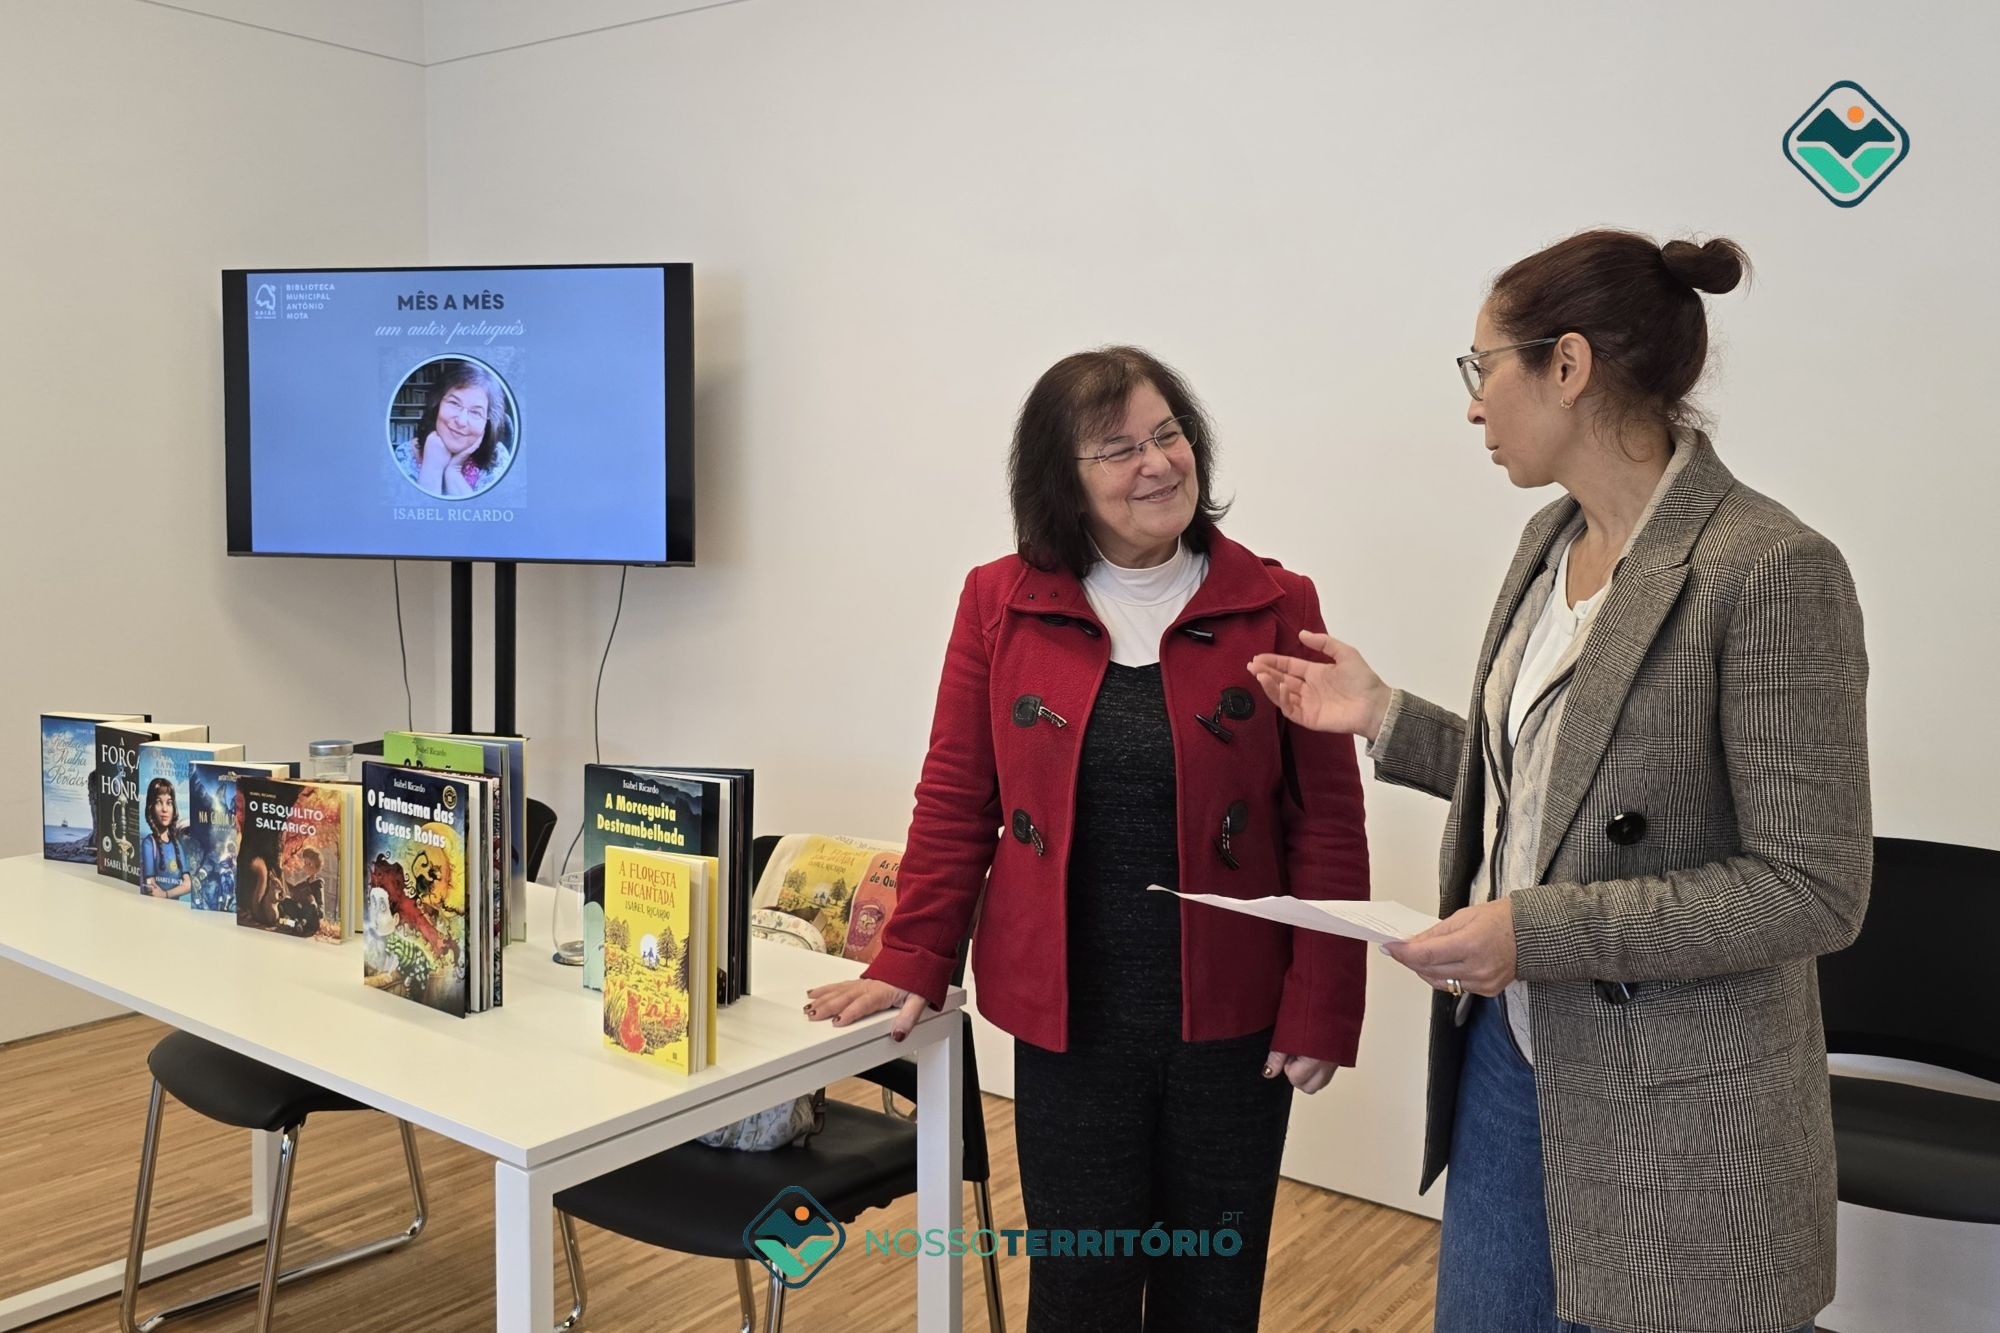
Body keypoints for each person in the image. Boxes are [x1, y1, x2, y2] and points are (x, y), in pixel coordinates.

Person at [1250, 229, 1869, 1333]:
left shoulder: (1767, 568)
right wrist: (1386, 717)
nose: (1474, 406)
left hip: (1671, 1095)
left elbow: (1810, 888)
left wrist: (1535, 932)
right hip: (1508, 1055)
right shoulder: (1550, 539)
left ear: (1566, 366)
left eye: (1481, 366)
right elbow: (1556, 788)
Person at [805, 347, 1371, 1332]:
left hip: (1232, 1022)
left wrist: (1321, 1000)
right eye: (1118, 449)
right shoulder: (998, 600)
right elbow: (954, 797)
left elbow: (1322, 819)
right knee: (1079, 1288)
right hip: (1072, 1018)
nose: (1157, 463)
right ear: (1062, 481)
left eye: (1167, 434)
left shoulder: (1278, 601)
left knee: (1212, 1287)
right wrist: (914, 955)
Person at [406, 360, 510, 498]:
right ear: (437, 405)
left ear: (487, 421)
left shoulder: (499, 457)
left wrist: (453, 471)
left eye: (475, 412)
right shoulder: (405, 454)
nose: (461, 421)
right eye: (454, 403)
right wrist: (432, 468)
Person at [139, 778, 191, 900]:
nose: (164, 809)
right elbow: (150, 884)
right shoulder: (149, 843)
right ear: (151, 807)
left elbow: (188, 884)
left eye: (169, 803)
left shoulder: (176, 844)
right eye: (158, 802)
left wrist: (165, 894)